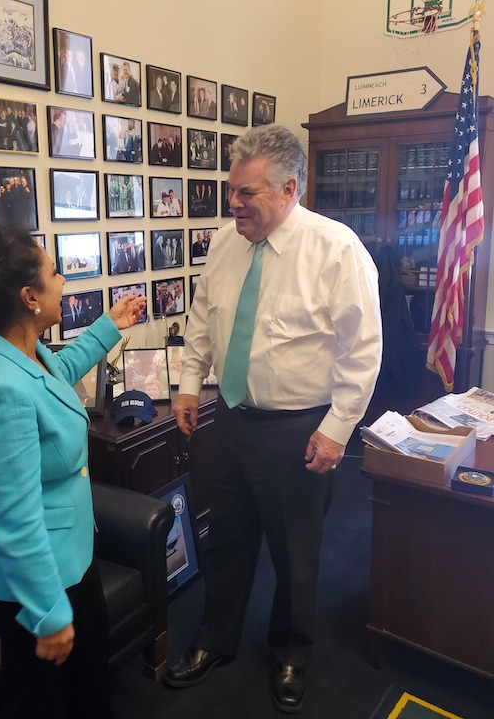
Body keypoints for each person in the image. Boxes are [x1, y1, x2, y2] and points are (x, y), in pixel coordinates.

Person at [164, 125, 382, 713]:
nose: (233, 204)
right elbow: (204, 316)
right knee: (227, 541)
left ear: (289, 189)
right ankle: (216, 640)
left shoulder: (337, 250)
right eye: (231, 191)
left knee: (295, 551)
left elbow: (363, 350)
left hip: (298, 430)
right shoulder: (225, 243)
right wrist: (190, 384)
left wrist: (338, 429)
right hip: (231, 421)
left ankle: (291, 652)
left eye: (247, 194)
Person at [0, 215, 145, 719]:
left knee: (90, 681)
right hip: (31, 578)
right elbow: (14, 517)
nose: (63, 281)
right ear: (30, 297)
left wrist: (110, 325)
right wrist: (48, 614)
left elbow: (55, 375)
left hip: (66, 556)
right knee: (44, 700)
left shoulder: (18, 350)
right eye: (55, 274)